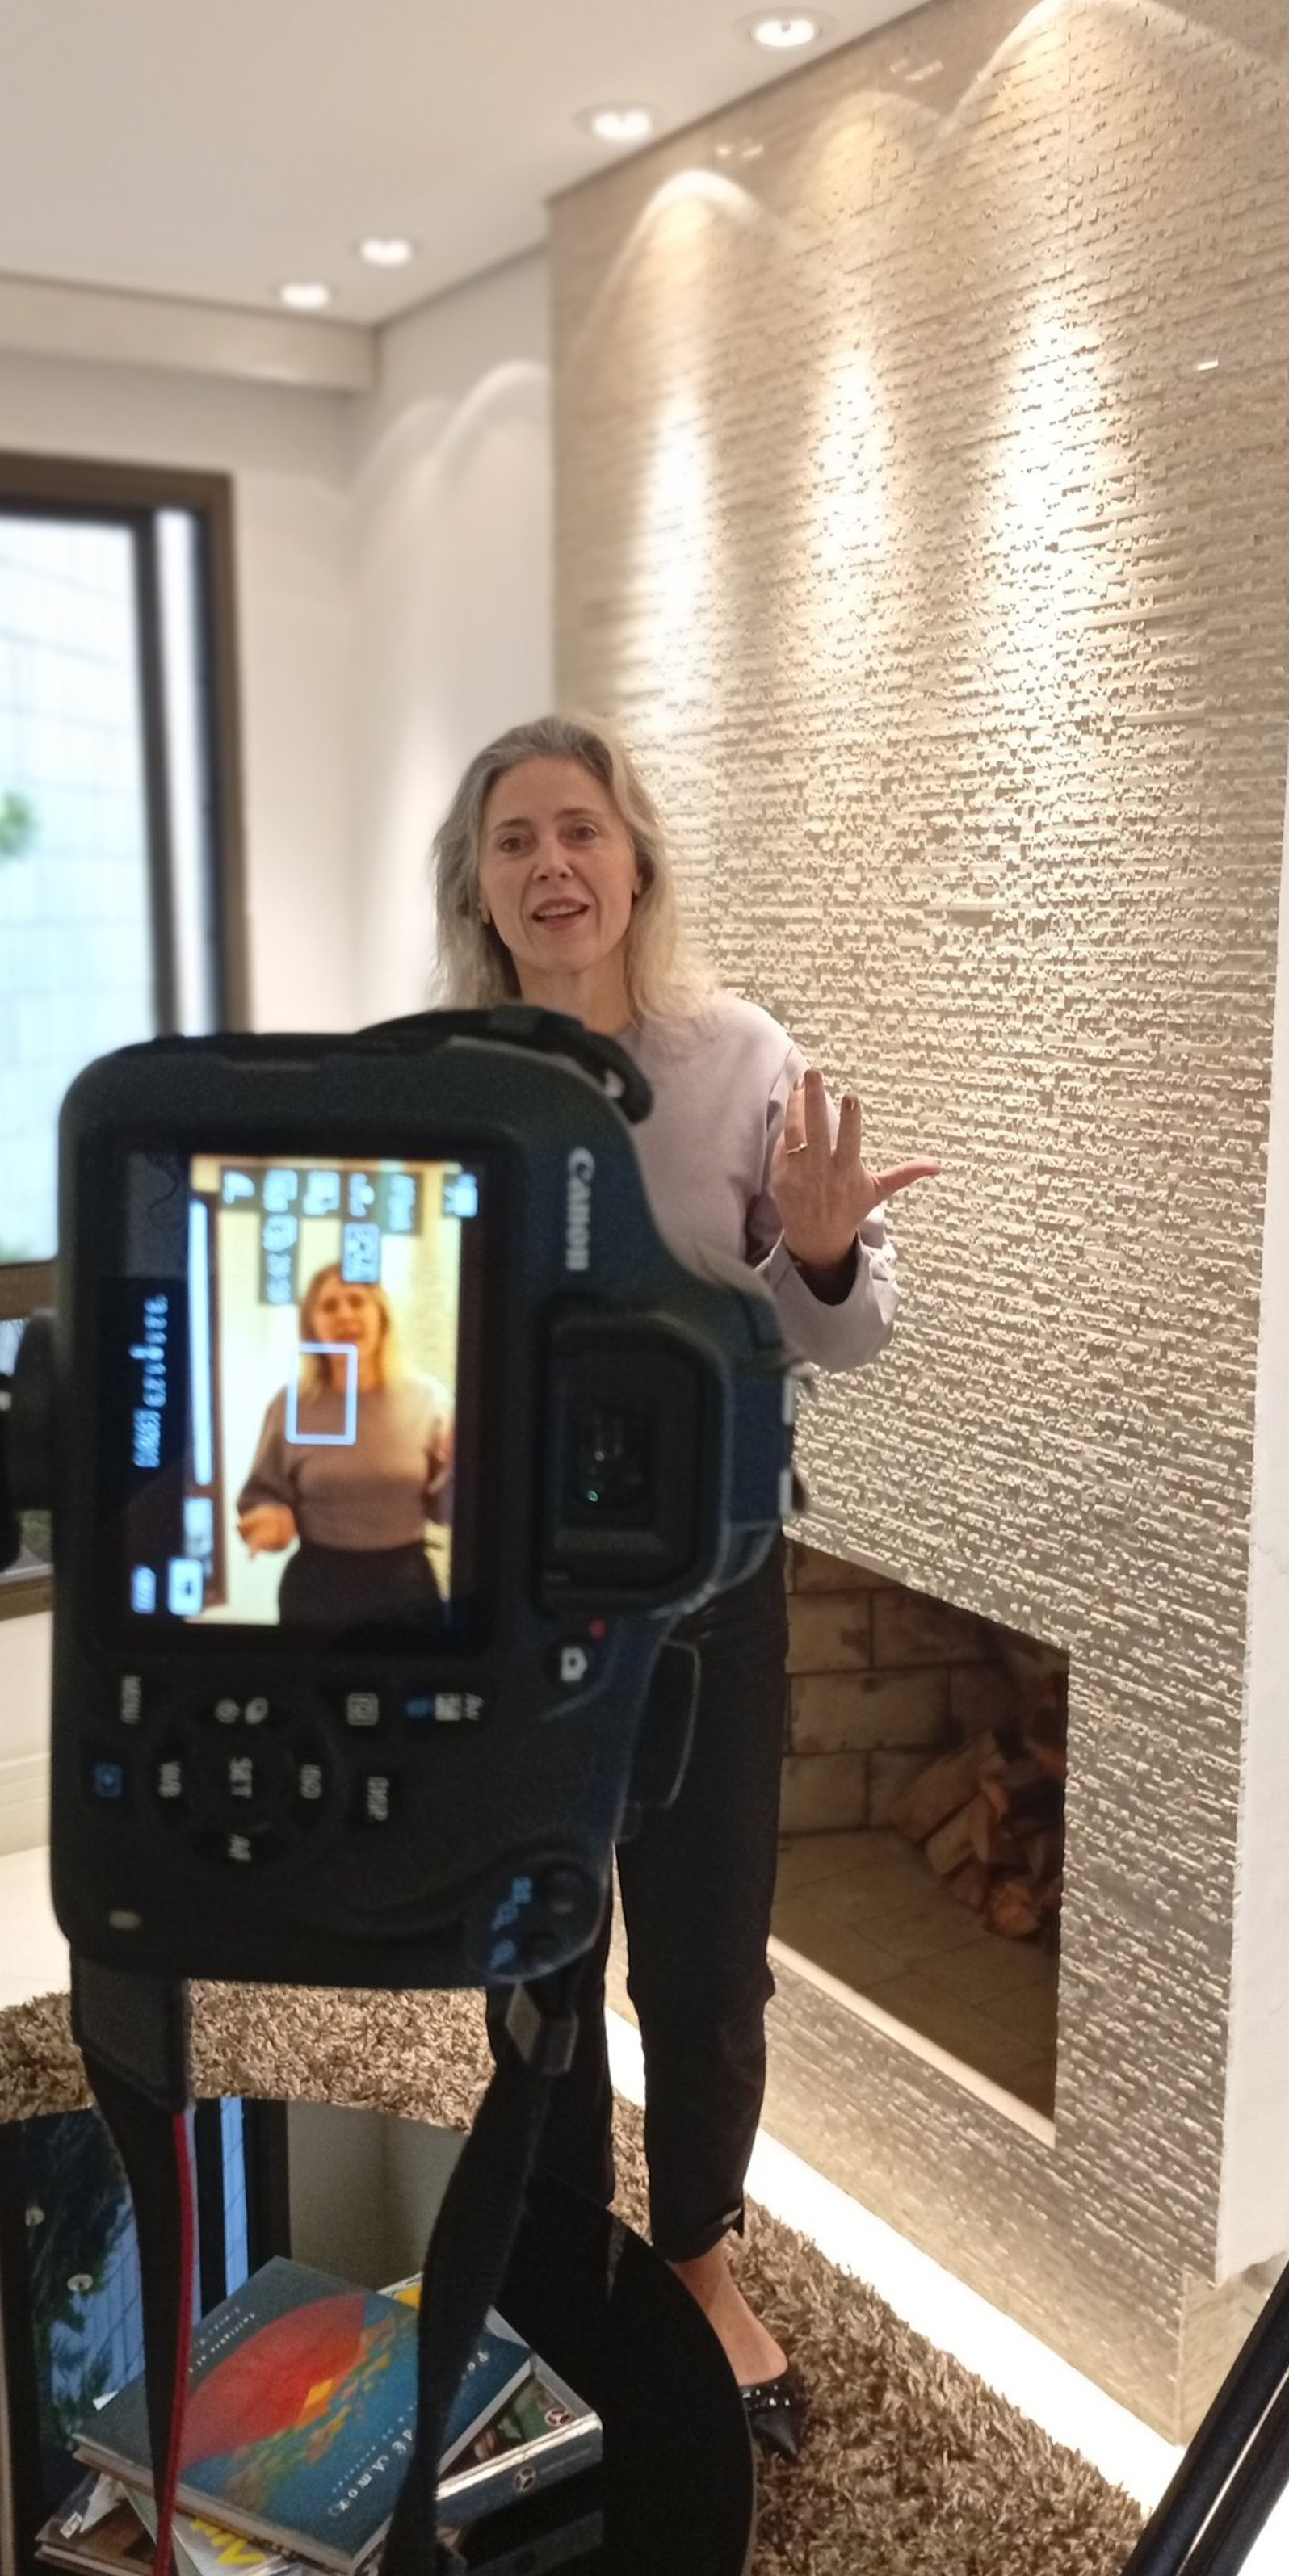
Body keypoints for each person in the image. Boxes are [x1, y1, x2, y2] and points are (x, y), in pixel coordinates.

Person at [430, 713, 938, 2460]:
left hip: (711, 1572)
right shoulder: (444, 1069)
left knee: (709, 1956)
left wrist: (817, 1243)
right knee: (542, 1937)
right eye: (516, 840)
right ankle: (561, 2236)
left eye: (581, 828)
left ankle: (700, 2248)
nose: (553, 864)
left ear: (637, 859)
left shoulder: (739, 1059)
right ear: (482, 885)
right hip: (522, 1584)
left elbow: (851, 1328)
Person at [237, 1263, 454, 1635]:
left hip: (406, 1588)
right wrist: (268, 1518)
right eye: (330, 1307)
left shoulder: (430, 1401)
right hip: (317, 1589)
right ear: (313, 1325)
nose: (345, 1316)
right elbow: (261, 1494)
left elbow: (445, 1513)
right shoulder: (291, 1404)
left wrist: (459, 1471)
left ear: (381, 1315)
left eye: (356, 1301)